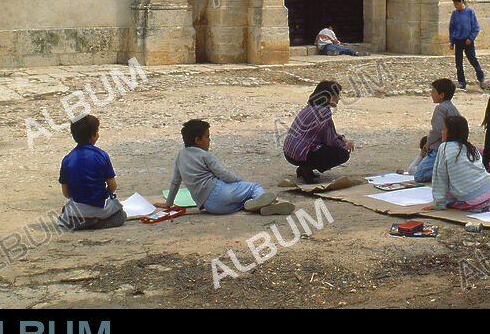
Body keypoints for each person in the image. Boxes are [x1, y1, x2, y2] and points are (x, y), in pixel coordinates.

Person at [157, 119, 293, 216]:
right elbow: (223, 174)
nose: (209, 140)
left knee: (243, 202)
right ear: (197, 140)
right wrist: (238, 180)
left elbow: (175, 182)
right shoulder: (205, 155)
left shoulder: (180, 157)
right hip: (219, 192)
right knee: (254, 187)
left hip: (210, 207)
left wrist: (168, 203)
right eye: (207, 137)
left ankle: (261, 208)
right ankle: (267, 204)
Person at [57, 114, 127, 231]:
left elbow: (66, 193)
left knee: (66, 213)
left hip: (77, 211)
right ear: (93, 136)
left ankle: (83, 223)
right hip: (100, 207)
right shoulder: (101, 155)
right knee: (121, 215)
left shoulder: (67, 159)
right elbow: (112, 186)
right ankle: (98, 223)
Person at [283, 80, 354, 184]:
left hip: (290, 152)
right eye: (337, 95)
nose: (338, 98)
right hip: (300, 155)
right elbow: (331, 141)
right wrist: (345, 146)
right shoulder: (324, 112)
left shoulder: (311, 107)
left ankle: (305, 168)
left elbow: (328, 133)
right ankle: (306, 168)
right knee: (342, 154)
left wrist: (342, 138)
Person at [423, 115, 490, 213]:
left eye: (444, 129)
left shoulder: (444, 148)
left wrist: (438, 203)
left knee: (448, 194)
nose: (442, 132)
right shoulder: (472, 148)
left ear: (450, 132)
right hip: (489, 193)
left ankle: (477, 204)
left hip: (471, 201)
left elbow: (440, 178)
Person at [412, 78, 460, 184]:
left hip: (439, 148)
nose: (431, 94)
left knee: (419, 176)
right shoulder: (453, 108)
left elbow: (438, 131)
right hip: (453, 147)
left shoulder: (440, 109)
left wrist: (428, 143)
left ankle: (442, 174)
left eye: (433, 92)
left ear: (441, 95)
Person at [449, 0, 488, 91]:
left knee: (473, 61)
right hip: (458, 41)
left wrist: (470, 38)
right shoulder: (454, 13)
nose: (455, 6)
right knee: (458, 63)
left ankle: (481, 79)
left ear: (461, 2)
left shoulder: (470, 12)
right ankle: (461, 82)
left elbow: (476, 28)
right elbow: (451, 28)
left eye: (456, 3)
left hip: (468, 42)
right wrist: (452, 42)